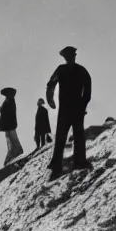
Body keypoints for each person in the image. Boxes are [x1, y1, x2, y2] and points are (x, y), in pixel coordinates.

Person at [46, 46, 92, 176]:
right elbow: (51, 84)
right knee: (73, 135)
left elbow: (50, 85)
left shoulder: (64, 69)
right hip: (72, 109)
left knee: (69, 135)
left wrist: (50, 100)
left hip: (69, 109)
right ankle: (71, 162)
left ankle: (65, 163)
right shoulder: (79, 70)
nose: (71, 58)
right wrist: (51, 101)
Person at [0, 87, 24, 166]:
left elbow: (7, 112)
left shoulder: (10, 102)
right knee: (12, 143)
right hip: (8, 126)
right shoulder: (7, 102)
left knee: (13, 143)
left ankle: (12, 159)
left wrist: (2, 109)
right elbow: (1, 110)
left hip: (9, 126)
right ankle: (12, 159)